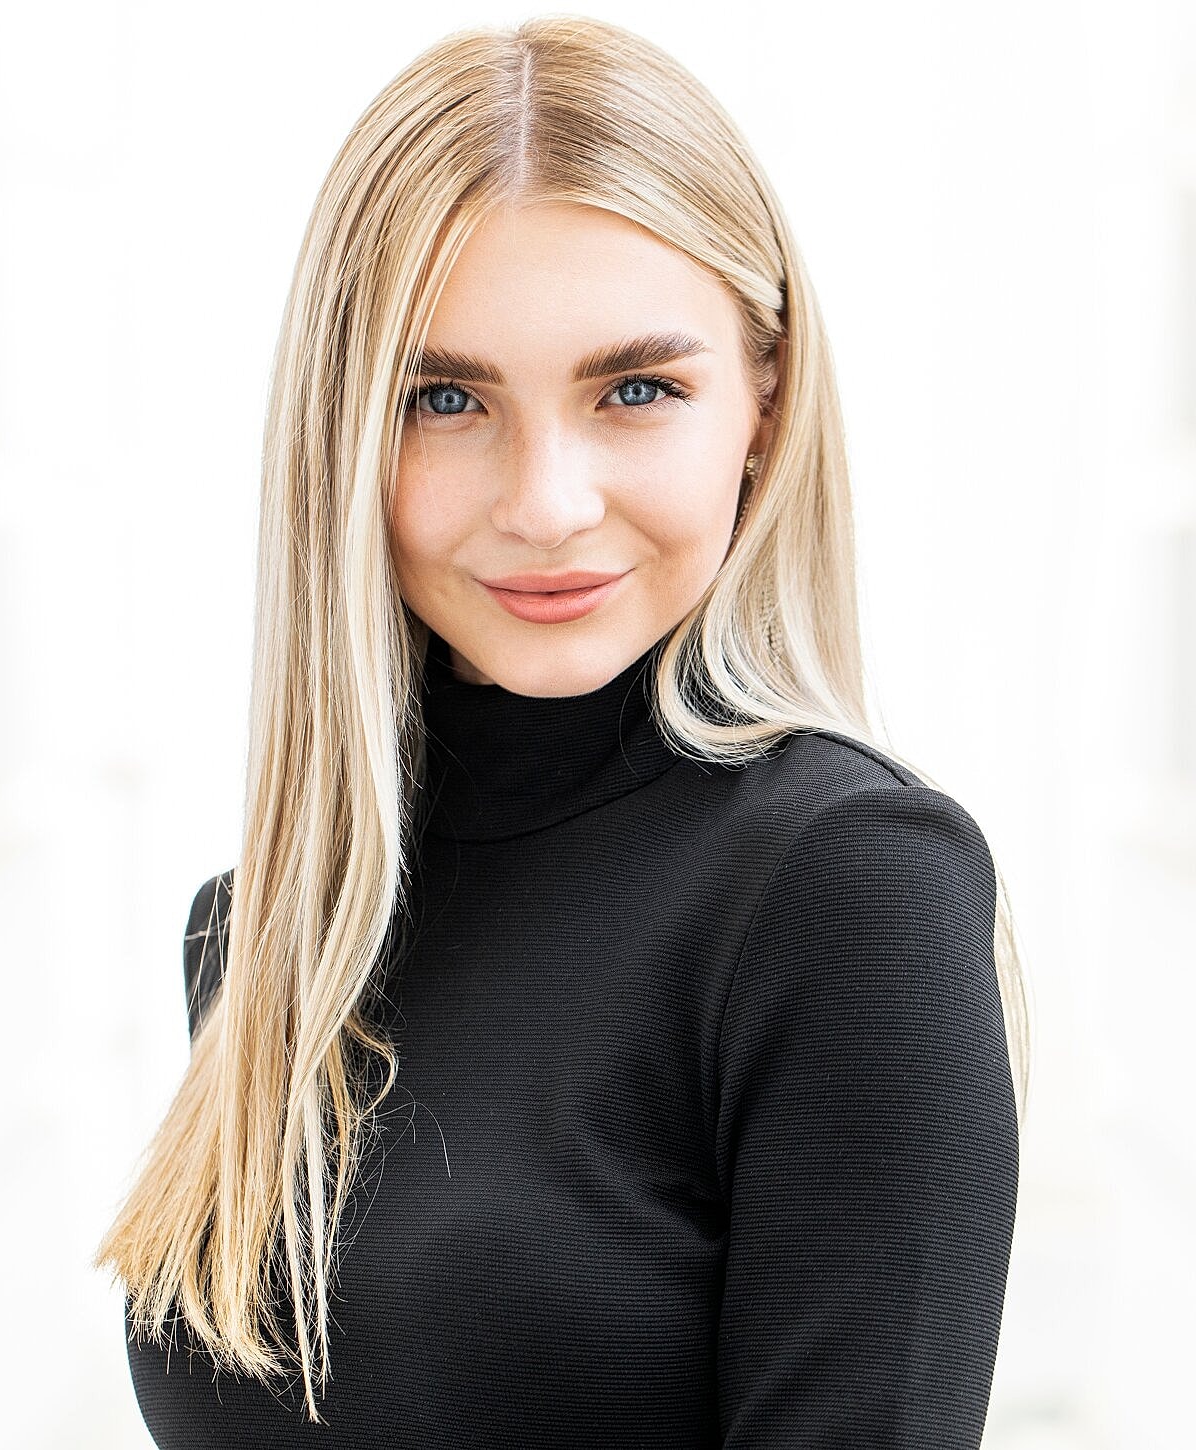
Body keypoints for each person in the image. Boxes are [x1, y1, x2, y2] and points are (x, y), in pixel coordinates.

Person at [95, 14, 1030, 1447]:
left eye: (636, 389)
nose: (546, 501)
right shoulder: (265, 936)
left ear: (764, 408)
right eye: (446, 398)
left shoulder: (848, 889)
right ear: (345, 430)